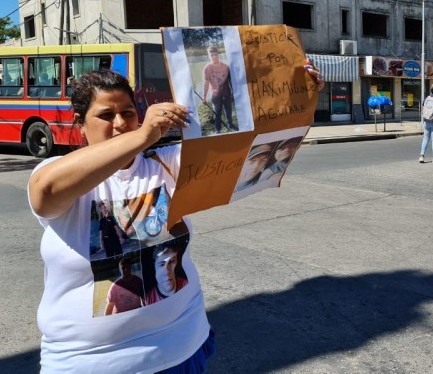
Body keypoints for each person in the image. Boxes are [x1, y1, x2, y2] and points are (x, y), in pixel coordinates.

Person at [27, 66, 324, 372]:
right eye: (106, 115)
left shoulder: (164, 164)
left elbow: (256, 156)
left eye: (128, 113)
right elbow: (45, 193)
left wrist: (297, 97)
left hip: (184, 347)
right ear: (80, 124)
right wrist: (143, 135)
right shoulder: (56, 171)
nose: (119, 124)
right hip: (91, 362)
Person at [202, 46, 236, 134]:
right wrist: (204, 97)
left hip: (227, 93)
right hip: (215, 95)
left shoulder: (226, 67)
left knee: (228, 110)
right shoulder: (207, 68)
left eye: (216, 55)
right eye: (212, 55)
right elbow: (206, 83)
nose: (214, 57)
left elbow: (231, 82)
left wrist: (234, 94)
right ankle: (218, 130)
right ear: (208, 56)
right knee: (217, 113)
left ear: (218, 55)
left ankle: (231, 125)